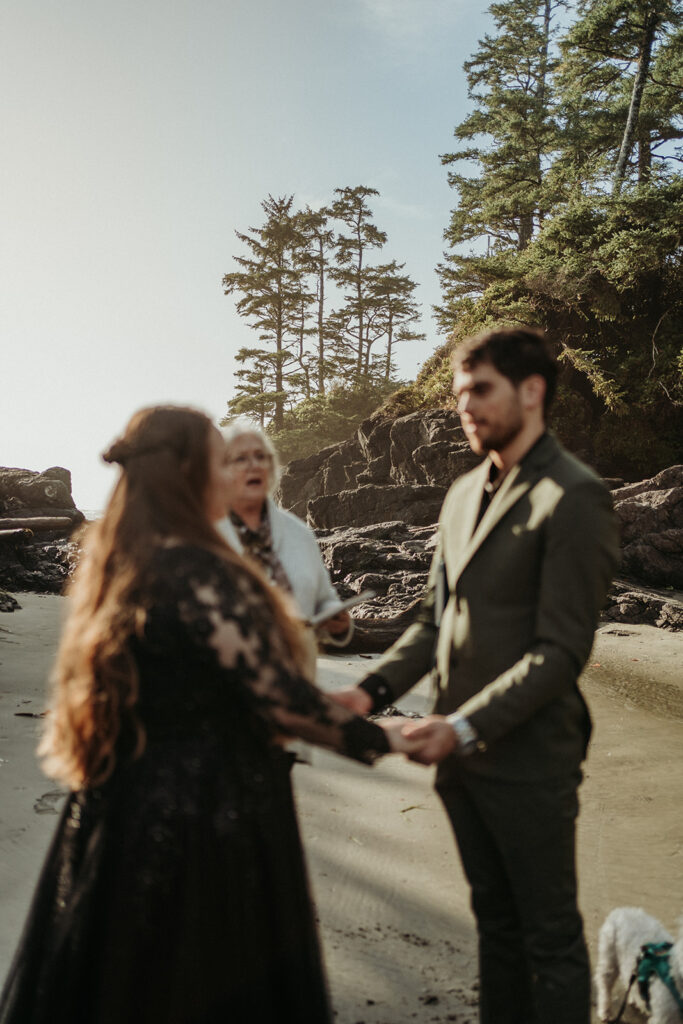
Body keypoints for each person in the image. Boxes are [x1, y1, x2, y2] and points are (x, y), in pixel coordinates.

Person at [0, 405, 420, 1024]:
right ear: (192, 474)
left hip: (124, 809)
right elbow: (276, 696)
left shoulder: (126, 563)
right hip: (202, 823)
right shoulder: (195, 570)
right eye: (220, 460)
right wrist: (383, 738)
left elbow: (219, 684)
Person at [335, 327, 620, 1024]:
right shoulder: (461, 494)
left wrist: (459, 728)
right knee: (493, 928)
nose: (465, 405)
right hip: (458, 762)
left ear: (532, 391)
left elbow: (560, 652)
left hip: (527, 760)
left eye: (480, 390)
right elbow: (432, 623)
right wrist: (365, 693)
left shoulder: (574, 496)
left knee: (547, 940)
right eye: (460, 393)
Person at [216, 419, 352, 659]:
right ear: (221, 470)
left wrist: (336, 620)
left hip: (295, 680)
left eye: (261, 457)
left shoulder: (300, 533)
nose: (254, 466)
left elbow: (324, 599)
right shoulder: (205, 532)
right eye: (241, 459)